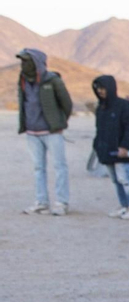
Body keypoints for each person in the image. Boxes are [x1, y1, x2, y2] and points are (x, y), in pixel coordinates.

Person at [16, 48, 73, 215]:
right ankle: (41, 201)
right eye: (22, 61)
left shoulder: (53, 80)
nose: (23, 65)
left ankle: (61, 202)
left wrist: (59, 122)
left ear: (36, 62)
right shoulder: (23, 80)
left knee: (60, 166)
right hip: (32, 133)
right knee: (38, 168)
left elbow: (67, 104)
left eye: (27, 61)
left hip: (52, 132)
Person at [91, 75, 129, 220]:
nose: (101, 91)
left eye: (103, 88)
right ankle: (124, 206)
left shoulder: (124, 106)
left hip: (122, 151)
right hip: (106, 151)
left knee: (125, 179)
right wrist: (97, 146)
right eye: (98, 89)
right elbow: (99, 129)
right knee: (115, 180)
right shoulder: (100, 108)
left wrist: (125, 146)